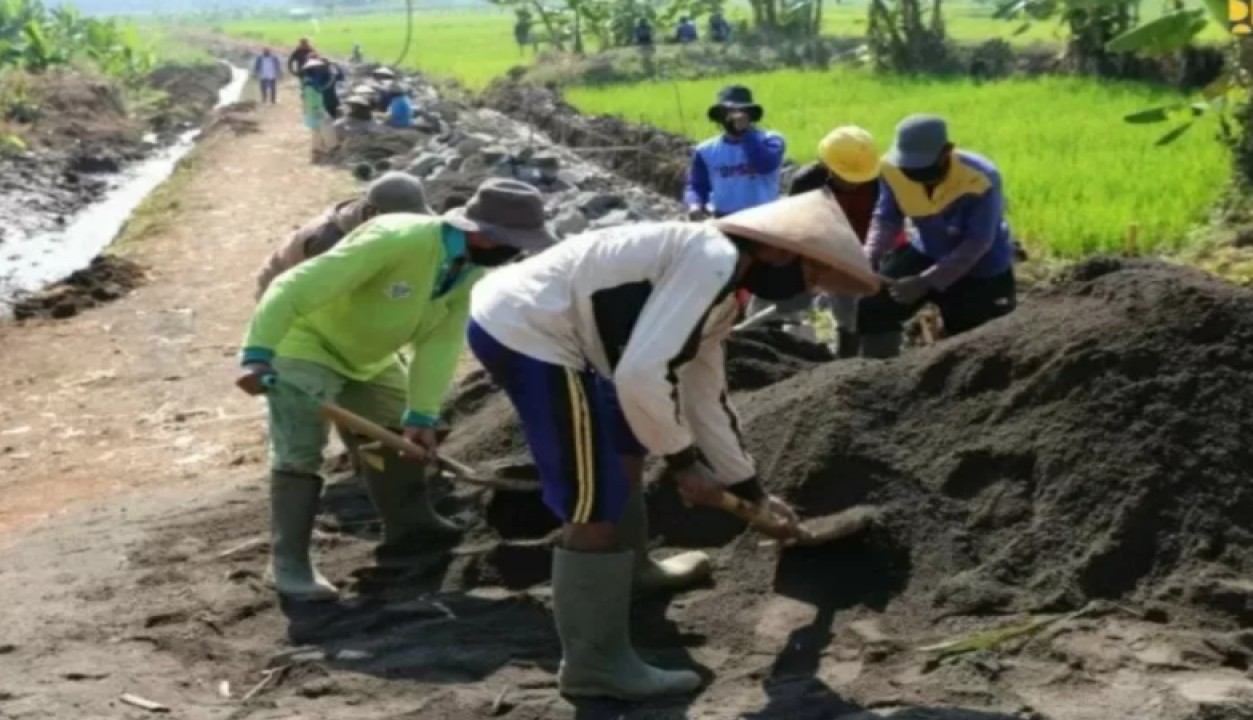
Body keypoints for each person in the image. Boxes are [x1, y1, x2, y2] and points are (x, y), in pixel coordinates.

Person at [466, 189, 880, 701]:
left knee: (627, 444)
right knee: (591, 494)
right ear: (779, 251)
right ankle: (593, 665)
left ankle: (634, 572)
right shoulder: (713, 259)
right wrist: (684, 463)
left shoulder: (724, 290)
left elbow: (703, 395)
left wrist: (749, 488)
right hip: (529, 330)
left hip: (568, 335)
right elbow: (643, 374)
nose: (807, 289)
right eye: (811, 275)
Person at [234, 179, 556, 603]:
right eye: (515, 243)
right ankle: (289, 563)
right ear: (483, 233)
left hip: (370, 355)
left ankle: (410, 521)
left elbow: (440, 344)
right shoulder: (398, 238)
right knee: (300, 446)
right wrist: (257, 353)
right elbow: (290, 286)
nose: (516, 252)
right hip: (306, 342)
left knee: (396, 427)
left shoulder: (471, 271)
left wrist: (420, 416)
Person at [857, 114, 1017, 358]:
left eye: (923, 168)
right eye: (908, 168)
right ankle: (874, 376)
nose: (914, 175)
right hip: (928, 250)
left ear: (947, 152)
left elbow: (978, 241)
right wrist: (870, 254)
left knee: (977, 345)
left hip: (981, 266)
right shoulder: (890, 169)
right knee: (874, 306)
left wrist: (926, 281)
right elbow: (887, 217)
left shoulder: (980, 178)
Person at [772, 126, 908, 355]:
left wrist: (874, 257)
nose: (854, 183)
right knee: (845, 309)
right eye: (846, 177)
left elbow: (891, 222)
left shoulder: (884, 179)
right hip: (830, 250)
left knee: (875, 309)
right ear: (827, 165)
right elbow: (795, 225)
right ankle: (844, 356)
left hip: (875, 249)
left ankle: (881, 356)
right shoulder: (807, 183)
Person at [256, 172, 432, 299]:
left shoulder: (367, 218)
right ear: (373, 213)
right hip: (284, 294)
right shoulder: (330, 242)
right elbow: (324, 302)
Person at [684, 85, 785, 221]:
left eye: (741, 112)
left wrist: (746, 134)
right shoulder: (706, 150)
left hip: (765, 219)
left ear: (750, 115)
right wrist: (694, 204)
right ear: (721, 117)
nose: (736, 117)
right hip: (726, 220)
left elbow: (764, 165)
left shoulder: (771, 140)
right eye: (730, 112)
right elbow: (697, 185)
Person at [300, 58, 339, 160]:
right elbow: (311, 98)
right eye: (317, 69)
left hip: (314, 109)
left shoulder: (310, 81)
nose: (319, 70)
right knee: (327, 125)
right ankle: (332, 147)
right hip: (316, 109)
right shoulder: (310, 84)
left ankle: (316, 149)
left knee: (317, 130)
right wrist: (317, 109)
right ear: (312, 70)